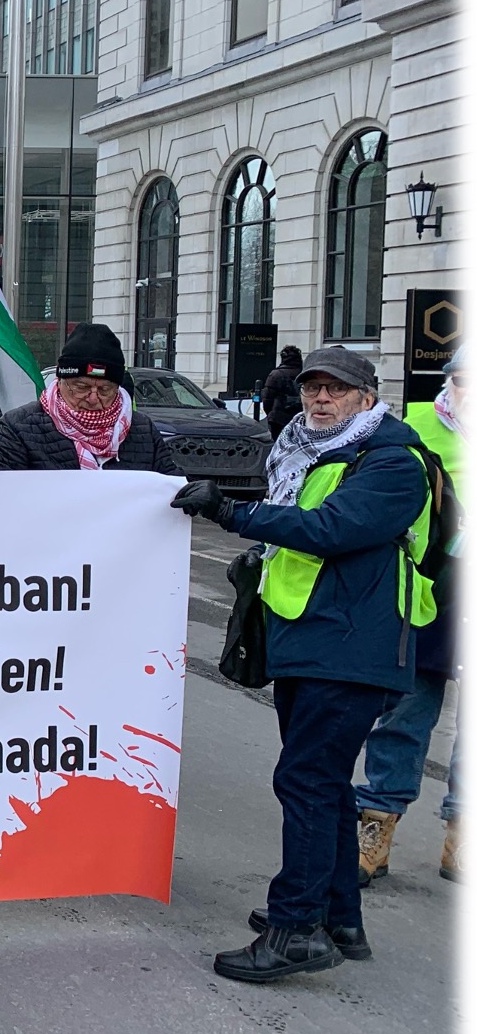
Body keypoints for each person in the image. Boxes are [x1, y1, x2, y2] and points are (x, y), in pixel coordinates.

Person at [172, 345, 438, 982]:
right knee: (323, 781)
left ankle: (296, 930)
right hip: (313, 637)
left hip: (354, 642)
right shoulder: (310, 450)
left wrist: (232, 512)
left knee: (307, 780)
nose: (320, 398)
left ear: (367, 398)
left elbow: (331, 529)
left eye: (336, 389)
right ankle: (338, 916)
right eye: (313, 387)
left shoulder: (392, 460)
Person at [352, 346, 465, 884]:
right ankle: (376, 826)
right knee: (405, 711)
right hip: (432, 589)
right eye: (462, 379)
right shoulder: (415, 424)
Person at [0, 323, 180, 474]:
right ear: (60, 381)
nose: (93, 398)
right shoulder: (18, 426)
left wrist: (192, 493)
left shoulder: (142, 429)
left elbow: (168, 483)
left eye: (105, 390)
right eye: (81, 387)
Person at [262, 345, 305, 439]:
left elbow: (267, 398)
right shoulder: (305, 374)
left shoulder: (275, 375)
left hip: (279, 417)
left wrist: (271, 413)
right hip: (302, 416)